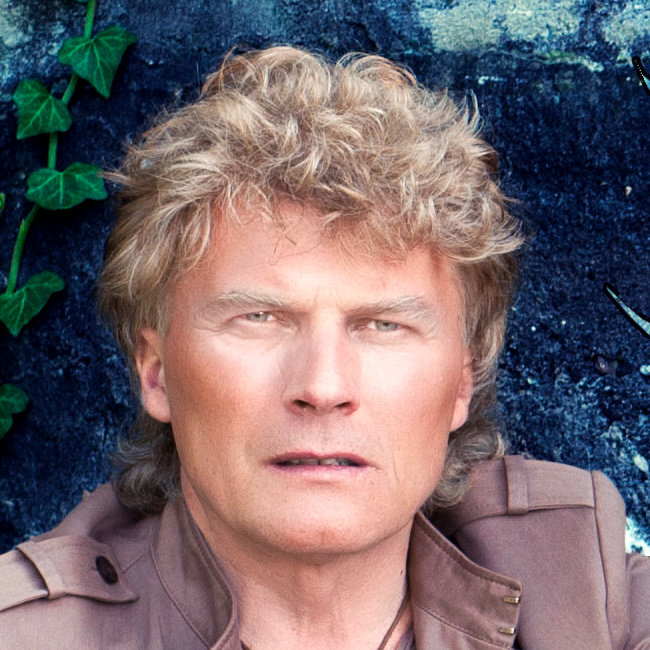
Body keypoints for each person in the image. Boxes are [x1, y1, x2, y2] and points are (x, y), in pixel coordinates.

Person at [0, 45, 647, 649]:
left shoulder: (591, 599)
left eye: (382, 325)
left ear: (461, 380)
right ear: (156, 371)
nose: (323, 386)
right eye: (260, 317)